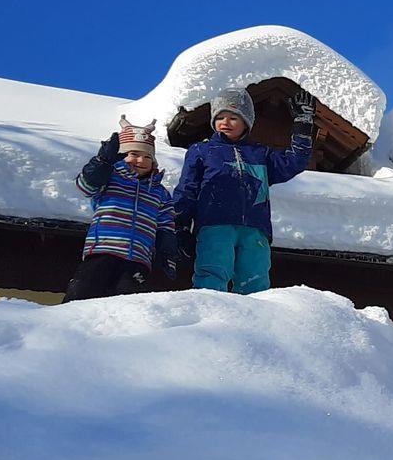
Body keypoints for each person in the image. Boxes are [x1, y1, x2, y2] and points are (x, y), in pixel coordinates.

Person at [173, 86, 315, 294]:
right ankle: (210, 312)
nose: (225, 122)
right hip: (215, 224)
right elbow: (187, 189)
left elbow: (294, 162)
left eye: (233, 117)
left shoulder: (261, 154)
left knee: (255, 281)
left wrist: (303, 125)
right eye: (220, 117)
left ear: (247, 122)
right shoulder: (202, 151)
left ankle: (254, 315)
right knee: (212, 275)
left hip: (255, 228)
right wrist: (180, 225)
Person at [63, 116, 181, 302]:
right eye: (134, 154)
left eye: (148, 156)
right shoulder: (110, 178)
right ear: (121, 155)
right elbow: (85, 186)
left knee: (125, 302)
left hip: (138, 260)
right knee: (83, 293)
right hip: (103, 250)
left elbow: (165, 224)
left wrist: (167, 251)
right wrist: (103, 162)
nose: (141, 160)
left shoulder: (159, 192)